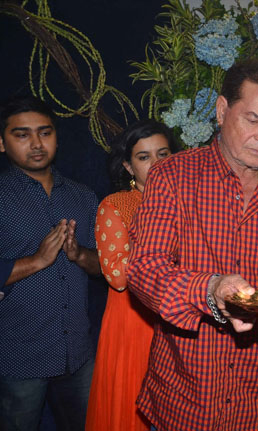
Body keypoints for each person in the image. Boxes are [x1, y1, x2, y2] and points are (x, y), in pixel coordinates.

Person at [127, 59, 258, 431]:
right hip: (186, 402)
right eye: (253, 120)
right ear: (221, 111)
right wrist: (210, 288)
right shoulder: (173, 176)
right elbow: (144, 268)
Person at [0, 95, 100, 431]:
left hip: (77, 353)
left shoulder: (82, 196)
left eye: (45, 132)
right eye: (22, 134)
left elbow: (106, 267)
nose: (36, 144)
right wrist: (37, 260)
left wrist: (79, 255)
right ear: (2, 143)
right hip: (19, 356)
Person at [85, 120, 179, 431]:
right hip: (135, 321)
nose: (157, 164)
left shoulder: (191, 204)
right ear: (128, 166)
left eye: (163, 154)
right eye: (144, 157)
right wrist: (163, 247)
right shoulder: (116, 205)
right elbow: (117, 276)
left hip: (182, 318)